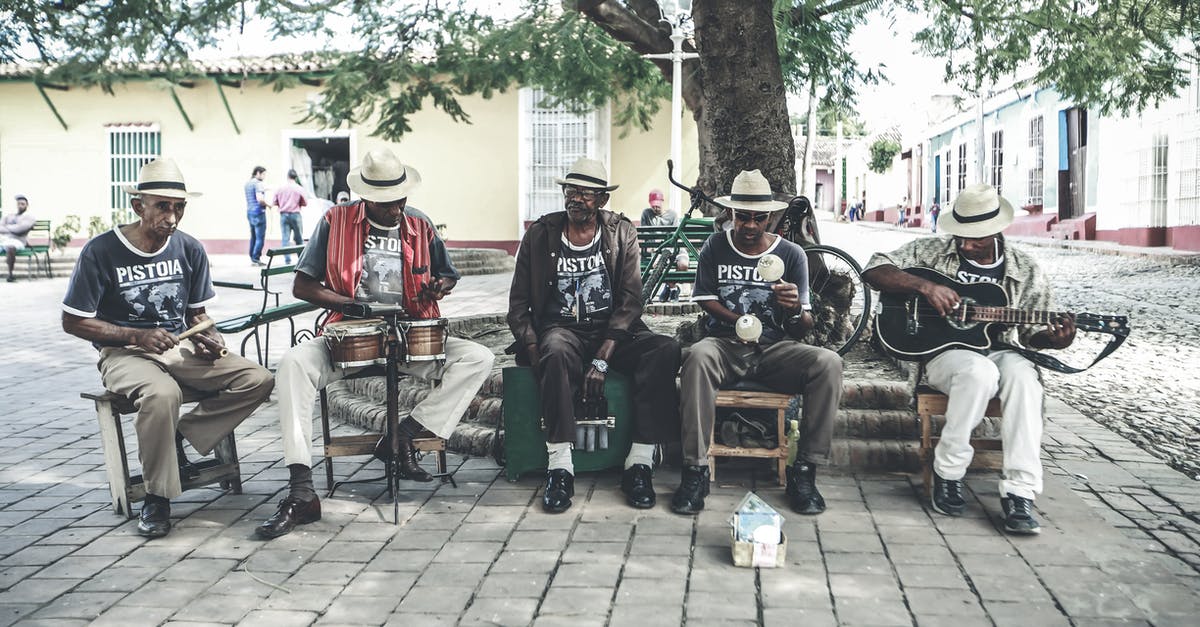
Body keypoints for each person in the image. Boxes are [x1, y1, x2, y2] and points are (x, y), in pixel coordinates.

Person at [259, 148, 495, 539]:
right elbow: (302, 284)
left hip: (412, 336)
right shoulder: (334, 222)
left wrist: (442, 284)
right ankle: (301, 491)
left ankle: (405, 435)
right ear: (366, 197)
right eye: (387, 203)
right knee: (293, 364)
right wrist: (348, 304)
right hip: (348, 337)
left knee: (477, 357)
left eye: (401, 199)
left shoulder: (420, 223)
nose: (396, 209)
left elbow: (447, 274)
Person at [61, 159, 274, 538]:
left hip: (179, 348)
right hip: (122, 353)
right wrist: (133, 336)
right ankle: (157, 497)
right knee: (162, 394)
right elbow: (73, 321)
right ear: (138, 205)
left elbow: (197, 314)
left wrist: (210, 338)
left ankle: (180, 435)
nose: (172, 217)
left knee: (257, 379)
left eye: (179, 208)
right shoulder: (102, 251)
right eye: (163, 206)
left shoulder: (189, 249)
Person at [861, 183, 1076, 535]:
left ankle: (1020, 491)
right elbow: (874, 269)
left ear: (996, 229)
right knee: (979, 372)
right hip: (945, 355)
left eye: (975, 237)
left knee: (1024, 377)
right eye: (960, 235)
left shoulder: (1026, 269)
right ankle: (949, 471)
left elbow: (1034, 335)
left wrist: (1056, 340)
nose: (965, 244)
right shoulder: (931, 251)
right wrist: (924, 287)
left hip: (1003, 349)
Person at [507, 158, 681, 514]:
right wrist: (532, 346)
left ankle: (640, 463)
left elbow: (633, 300)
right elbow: (518, 304)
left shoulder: (621, 232)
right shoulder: (540, 235)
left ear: (602, 199)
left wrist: (602, 358)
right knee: (553, 350)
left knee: (665, 350)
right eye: (571, 190)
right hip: (561, 331)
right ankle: (560, 467)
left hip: (613, 332)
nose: (576, 198)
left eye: (586, 193)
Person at [672, 170, 842, 516]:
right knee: (698, 356)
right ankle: (695, 470)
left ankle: (805, 471)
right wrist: (738, 322)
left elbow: (801, 328)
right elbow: (704, 298)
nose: (750, 226)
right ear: (730, 214)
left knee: (828, 363)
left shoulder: (792, 255)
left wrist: (794, 309)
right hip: (725, 345)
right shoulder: (715, 246)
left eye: (758, 218)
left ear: (771, 216)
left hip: (775, 350)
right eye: (742, 217)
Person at [639, 189, 681, 302]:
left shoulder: (672, 215)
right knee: (658, 264)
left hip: (673, 248)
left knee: (683, 265)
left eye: (657, 205)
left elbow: (675, 235)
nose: (655, 208)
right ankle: (673, 290)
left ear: (663, 202)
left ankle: (669, 287)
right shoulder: (646, 214)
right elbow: (644, 234)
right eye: (653, 206)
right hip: (657, 250)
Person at [272, 169, 308, 263]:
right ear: (296, 177)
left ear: (287, 176)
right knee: (299, 239)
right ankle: (300, 260)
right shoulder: (299, 188)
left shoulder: (280, 188)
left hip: (283, 215)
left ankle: (287, 260)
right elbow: (305, 203)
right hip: (296, 215)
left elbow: (274, 202)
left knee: (285, 239)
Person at [1, 194, 37, 282]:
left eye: (22, 204)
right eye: (18, 204)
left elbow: (20, 229)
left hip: (19, 241)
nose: (20, 206)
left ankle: (10, 275)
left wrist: (7, 227)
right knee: (7, 245)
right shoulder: (9, 216)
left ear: (27, 205)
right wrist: (13, 228)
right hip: (3, 240)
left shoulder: (29, 217)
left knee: (10, 247)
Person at [244, 166, 268, 266]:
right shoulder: (258, 184)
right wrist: (268, 204)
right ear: (258, 173)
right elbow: (260, 199)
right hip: (259, 213)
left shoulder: (248, 183)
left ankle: (252, 257)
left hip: (250, 212)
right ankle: (256, 258)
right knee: (260, 237)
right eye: (263, 174)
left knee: (253, 236)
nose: (264, 176)